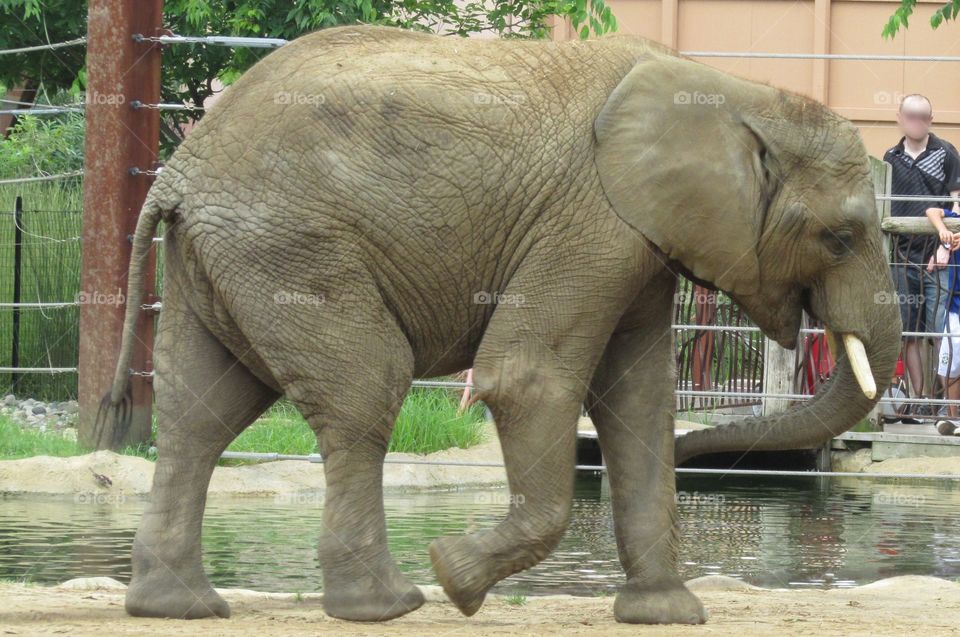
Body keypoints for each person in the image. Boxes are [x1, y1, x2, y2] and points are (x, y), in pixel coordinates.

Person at [884, 95, 960, 419]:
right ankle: (919, 397)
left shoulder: (947, 153)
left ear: (930, 119)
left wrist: (945, 246)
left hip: (938, 258)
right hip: (902, 256)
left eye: (923, 116)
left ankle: (946, 404)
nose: (917, 121)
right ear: (900, 117)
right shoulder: (891, 157)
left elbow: (957, 206)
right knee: (909, 331)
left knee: (940, 329)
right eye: (911, 115)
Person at [928, 207, 960, 435]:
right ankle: (953, 418)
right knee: (950, 361)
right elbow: (931, 211)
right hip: (956, 305)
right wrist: (943, 231)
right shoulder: (954, 220)